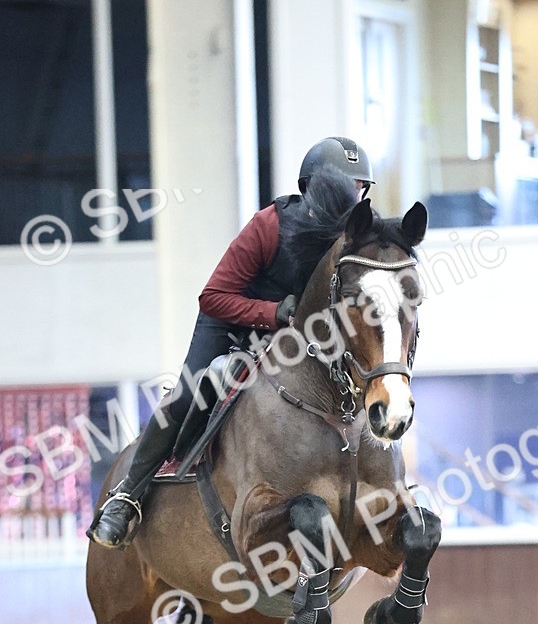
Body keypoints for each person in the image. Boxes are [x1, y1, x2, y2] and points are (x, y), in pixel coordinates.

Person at [88, 136, 374, 549]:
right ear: (313, 187)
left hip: (302, 343)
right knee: (189, 394)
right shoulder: (269, 225)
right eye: (348, 189)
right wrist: (274, 312)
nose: (355, 199)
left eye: (361, 190)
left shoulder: (357, 238)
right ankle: (128, 494)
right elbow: (214, 296)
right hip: (235, 325)